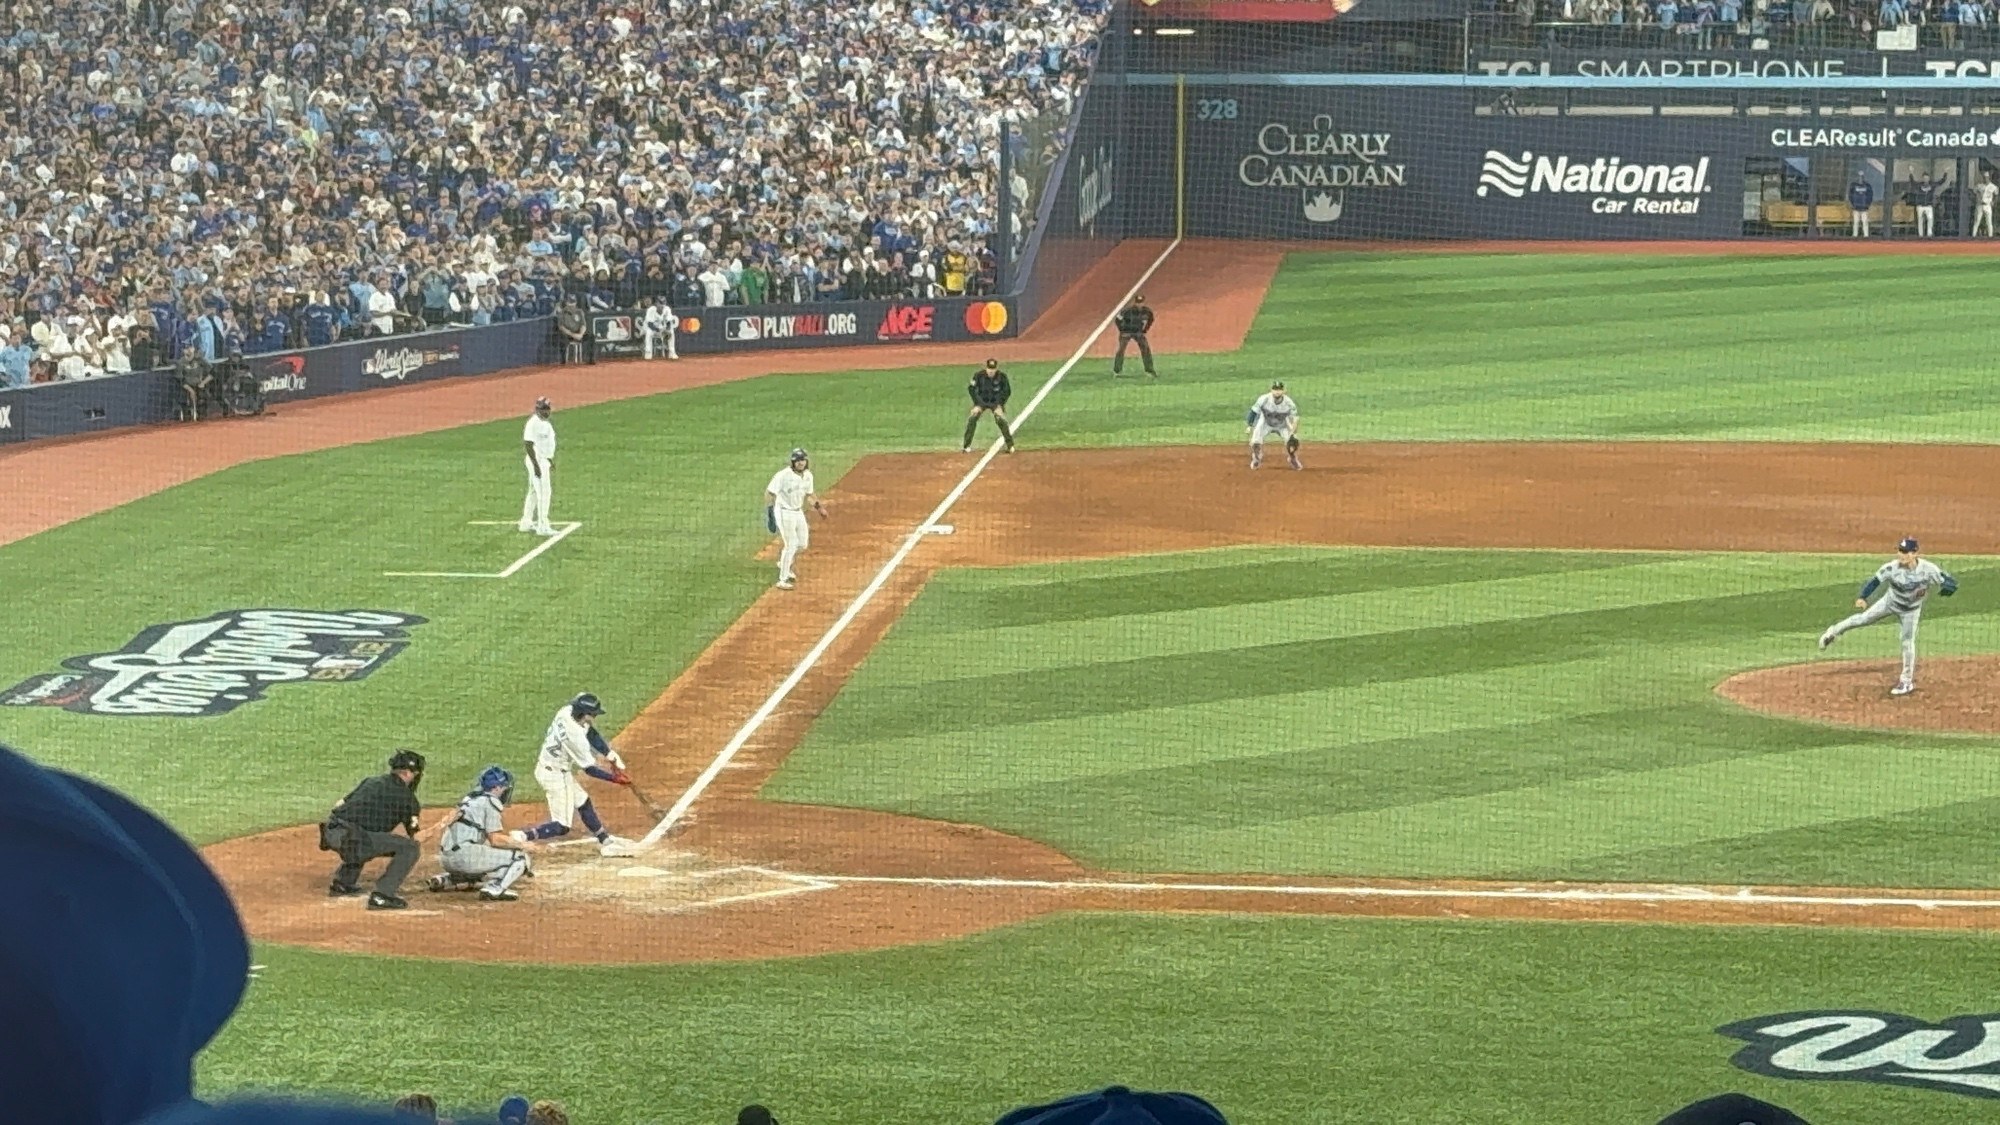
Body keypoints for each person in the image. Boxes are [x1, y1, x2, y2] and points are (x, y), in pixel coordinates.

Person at [1819, 537, 1958, 696]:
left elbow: (1948, 581)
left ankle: (1906, 682)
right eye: (1900, 551)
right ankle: (1833, 632)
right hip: (1889, 603)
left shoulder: (1928, 569)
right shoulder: (1891, 568)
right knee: (1862, 619)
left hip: (1911, 610)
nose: (1902, 555)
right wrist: (1863, 597)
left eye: (1906, 552)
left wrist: (1949, 586)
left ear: (1915, 553)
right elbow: (1875, 582)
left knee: (1907, 641)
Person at [512, 692, 641, 856]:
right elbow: (589, 769)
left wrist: (608, 753)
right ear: (585, 714)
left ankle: (605, 841)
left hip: (551, 768)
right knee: (562, 826)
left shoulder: (566, 712)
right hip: (555, 775)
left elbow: (591, 732)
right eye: (593, 714)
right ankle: (522, 836)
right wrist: (614, 778)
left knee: (583, 801)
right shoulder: (575, 738)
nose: (594, 717)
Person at [321, 750, 447, 910]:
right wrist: (444, 823)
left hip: (330, 830)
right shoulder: (407, 798)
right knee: (410, 848)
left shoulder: (371, 781)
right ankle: (383, 895)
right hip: (350, 839)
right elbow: (417, 838)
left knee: (366, 834)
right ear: (408, 773)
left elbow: (339, 804)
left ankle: (343, 883)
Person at [429, 766, 532, 901]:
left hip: (446, 859)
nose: (506, 790)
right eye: (504, 787)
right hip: (464, 859)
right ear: (496, 788)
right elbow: (495, 839)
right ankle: (496, 888)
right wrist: (522, 845)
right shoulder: (490, 802)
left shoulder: (469, 799)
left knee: (485, 852)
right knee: (520, 858)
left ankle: (449, 880)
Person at [765, 447, 827, 590]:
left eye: (803, 460)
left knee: (803, 544)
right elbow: (769, 493)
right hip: (783, 512)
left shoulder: (808, 476)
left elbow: (809, 495)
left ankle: (784, 562)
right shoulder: (783, 475)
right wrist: (770, 514)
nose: (801, 463)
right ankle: (783, 579)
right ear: (793, 462)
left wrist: (819, 508)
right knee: (791, 544)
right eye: (798, 461)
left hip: (798, 511)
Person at [520, 396, 556, 536]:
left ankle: (526, 522)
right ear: (537, 409)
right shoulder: (532, 423)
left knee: (534, 492)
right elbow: (528, 445)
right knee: (544, 493)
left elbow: (546, 446)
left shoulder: (546, 424)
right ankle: (543, 526)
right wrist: (536, 466)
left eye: (547, 409)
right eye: (543, 409)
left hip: (543, 461)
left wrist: (550, 461)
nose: (546, 412)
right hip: (537, 461)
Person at [1245, 381, 1302, 471]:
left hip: (1282, 424)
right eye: (1275, 389)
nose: (1277, 392)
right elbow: (1253, 412)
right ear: (1271, 390)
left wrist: (1293, 433)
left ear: (1284, 391)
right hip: (1265, 423)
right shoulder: (1264, 399)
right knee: (1255, 442)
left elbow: (1295, 419)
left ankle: (1293, 458)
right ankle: (1256, 458)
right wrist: (1249, 425)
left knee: (1293, 442)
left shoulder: (1289, 403)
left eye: (1279, 390)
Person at [963, 358, 1016, 453]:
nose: (991, 371)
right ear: (986, 368)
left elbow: (1007, 391)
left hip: (995, 402)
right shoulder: (978, 376)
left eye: (993, 369)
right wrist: (977, 404)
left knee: (1001, 419)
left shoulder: (1002, 377)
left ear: (996, 369)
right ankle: (966, 446)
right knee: (972, 418)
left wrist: (1000, 405)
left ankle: (1010, 445)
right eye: (989, 369)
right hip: (981, 402)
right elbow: (971, 389)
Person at [1112, 295, 1157, 377]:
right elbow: (1117, 319)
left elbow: (1151, 319)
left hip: (1138, 332)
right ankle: (1117, 371)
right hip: (1126, 332)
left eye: (1141, 303)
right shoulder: (1127, 311)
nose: (1139, 304)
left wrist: (1145, 330)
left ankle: (1150, 370)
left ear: (1143, 302)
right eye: (1138, 303)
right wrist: (1122, 329)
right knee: (1121, 350)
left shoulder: (1147, 311)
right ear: (1135, 302)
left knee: (1146, 348)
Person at [555, 297, 590, 364]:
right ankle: (564, 360)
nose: (572, 305)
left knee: (591, 336)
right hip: (568, 334)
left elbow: (583, 325)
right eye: (570, 303)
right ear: (566, 304)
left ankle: (589, 359)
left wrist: (581, 334)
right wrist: (573, 335)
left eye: (573, 303)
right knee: (562, 337)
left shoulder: (579, 311)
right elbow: (561, 327)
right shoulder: (562, 313)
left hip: (578, 333)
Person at [1908, 172, 1938, 237]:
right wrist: (1911, 173)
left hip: (1929, 205)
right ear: (1922, 178)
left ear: (1929, 178)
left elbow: (1941, 182)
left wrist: (1945, 173)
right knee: (1920, 220)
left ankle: (1929, 234)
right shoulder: (1919, 185)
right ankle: (1920, 234)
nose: (1926, 179)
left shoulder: (1932, 185)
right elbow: (1912, 182)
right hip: (1920, 205)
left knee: (1930, 219)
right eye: (1924, 178)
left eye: (1927, 178)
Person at [1848, 172, 1875, 238]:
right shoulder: (1853, 185)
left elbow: (1870, 196)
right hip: (1856, 208)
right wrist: (1853, 204)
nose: (1860, 178)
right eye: (1859, 176)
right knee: (1855, 222)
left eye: (1861, 176)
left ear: (1863, 177)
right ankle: (1855, 235)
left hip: (1864, 208)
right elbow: (1850, 195)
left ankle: (1866, 235)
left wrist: (1868, 204)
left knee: (1865, 222)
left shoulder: (1867, 185)